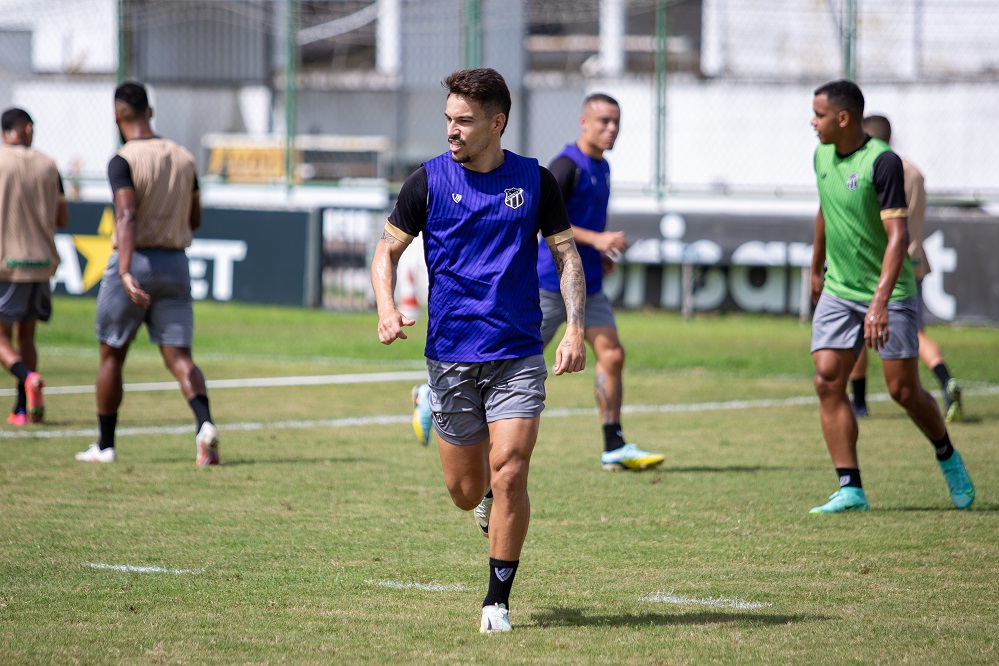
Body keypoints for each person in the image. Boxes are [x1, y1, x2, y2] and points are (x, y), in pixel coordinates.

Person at [371, 68, 587, 633]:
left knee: (512, 470)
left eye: (464, 121)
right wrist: (386, 308)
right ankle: (446, 429)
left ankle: (497, 599)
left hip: (517, 353)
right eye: (448, 119)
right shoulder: (427, 182)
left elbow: (567, 257)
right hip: (450, 356)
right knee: (467, 493)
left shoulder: (536, 181)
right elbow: (385, 253)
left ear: (497, 123)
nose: (452, 130)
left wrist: (575, 328)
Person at [807, 80, 973, 513]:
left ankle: (946, 453)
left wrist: (879, 302)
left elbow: (898, 238)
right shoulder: (822, 155)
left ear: (843, 118)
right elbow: (826, 208)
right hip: (839, 289)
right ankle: (850, 488)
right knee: (827, 380)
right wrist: (815, 267)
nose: (813, 122)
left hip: (889, 291)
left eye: (819, 115)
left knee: (902, 390)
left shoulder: (883, 163)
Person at [75, 81, 220, 465]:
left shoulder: (122, 160)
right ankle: (204, 424)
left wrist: (124, 270)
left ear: (117, 114)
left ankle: (105, 446)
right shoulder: (184, 157)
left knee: (111, 356)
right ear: (150, 112)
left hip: (135, 261)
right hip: (175, 263)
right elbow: (195, 218)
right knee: (180, 357)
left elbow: (126, 214)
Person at [537, 93, 664, 471]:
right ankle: (436, 395)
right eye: (604, 121)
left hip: (588, 283)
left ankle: (614, 445)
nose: (611, 129)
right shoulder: (564, 165)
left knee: (613, 355)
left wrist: (598, 254)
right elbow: (545, 221)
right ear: (583, 122)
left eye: (616, 123)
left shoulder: (602, 166)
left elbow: (584, 222)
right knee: (512, 357)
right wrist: (598, 239)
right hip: (549, 282)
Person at [848, 115, 963, 423]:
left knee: (860, 328)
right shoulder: (915, 172)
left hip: (880, 262)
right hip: (914, 258)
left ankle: (858, 403)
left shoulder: (872, 168)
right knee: (917, 332)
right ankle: (944, 379)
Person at [0, 107, 69, 425]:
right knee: (27, 338)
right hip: (41, 263)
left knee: (3, 339)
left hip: (6, 264)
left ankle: (28, 378)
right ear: (26, 129)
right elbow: (62, 217)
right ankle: (22, 409)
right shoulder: (49, 164)